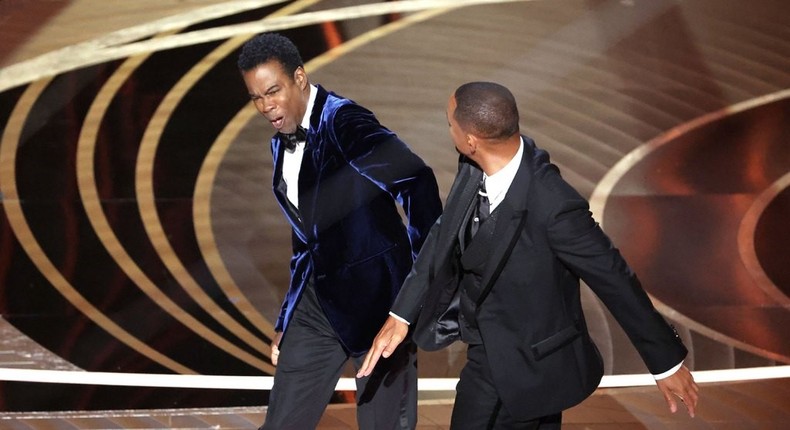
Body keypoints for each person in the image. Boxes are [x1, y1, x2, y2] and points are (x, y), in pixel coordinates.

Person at [357, 82, 699, 429]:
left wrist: (666, 363)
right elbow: (445, 234)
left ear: (471, 140)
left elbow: (614, 277)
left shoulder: (554, 205)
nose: (450, 131)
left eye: (450, 124)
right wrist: (402, 314)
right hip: (490, 353)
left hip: (534, 364)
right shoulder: (473, 166)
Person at [237, 33, 442, 430]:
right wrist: (287, 319)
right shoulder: (280, 144)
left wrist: (413, 296)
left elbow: (417, 182)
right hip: (318, 303)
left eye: (273, 91)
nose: (266, 106)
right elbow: (305, 240)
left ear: (299, 77)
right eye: (256, 98)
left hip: (378, 306)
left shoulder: (344, 121)